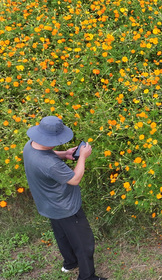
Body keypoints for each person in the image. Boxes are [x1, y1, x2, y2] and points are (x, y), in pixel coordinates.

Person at [23, 116, 107, 280]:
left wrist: (66, 154)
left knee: (62, 235)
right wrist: (82, 156)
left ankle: (70, 263)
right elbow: (74, 179)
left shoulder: (30, 146)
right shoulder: (50, 164)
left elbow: (48, 152)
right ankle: (87, 276)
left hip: (48, 204)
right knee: (84, 243)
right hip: (65, 206)